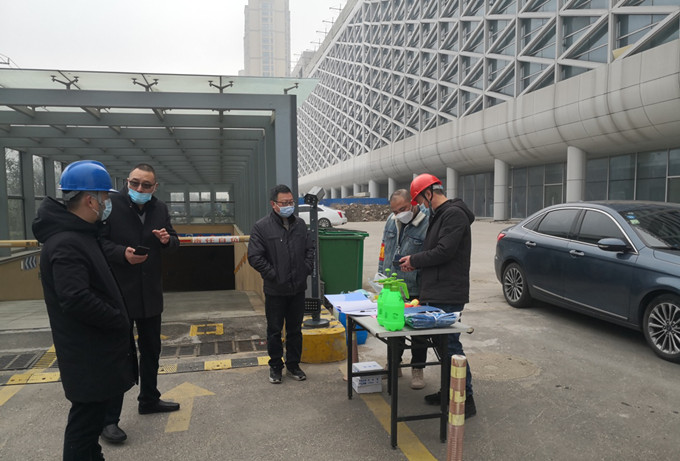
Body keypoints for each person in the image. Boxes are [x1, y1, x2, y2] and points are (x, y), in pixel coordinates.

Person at [32, 160, 137, 461]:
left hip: (94, 352)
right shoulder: (67, 243)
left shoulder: (80, 234)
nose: (107, 204)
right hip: (88, 355)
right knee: (84, 427)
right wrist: (118, 319)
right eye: (104, 198)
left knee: (89, 429)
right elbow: (76, 298)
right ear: (91, 201)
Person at [99, 163, 180, 444]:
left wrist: (167, 240)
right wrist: (122, 253)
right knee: (119, 355)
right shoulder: (110, 205)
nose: (139, 189)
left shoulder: (160, 208)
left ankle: (149, 399)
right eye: (135, 183)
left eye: (146, 185)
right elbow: (98, 242)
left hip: (150, 294)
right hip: (119, 293)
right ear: (127, 181)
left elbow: (174, 241)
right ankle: (109, 420)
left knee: (151, 350)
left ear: (155, 187)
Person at [399, 173, 477, 418]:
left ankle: (465, 398)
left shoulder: (454, 215)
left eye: (421, 200)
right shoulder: (440, 214)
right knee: (442, 347)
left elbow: (444, 251)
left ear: (429, 193)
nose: (421, 205)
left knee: (451, 345)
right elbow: (433, 250)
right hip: (436, 289)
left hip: (448, 291)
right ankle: (448, 391)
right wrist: (415, 262)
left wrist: (415, 260)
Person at [248, 184, 314, 384]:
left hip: (297, 289)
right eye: (284, 203)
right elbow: (254, 256)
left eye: (291, 202)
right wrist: (273, 274)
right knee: (274, 331)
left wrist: (305, 269)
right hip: (275, 290)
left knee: (295, 330)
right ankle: (276, 366)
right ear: (273, 204)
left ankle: (293, 365)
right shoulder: (262, 227)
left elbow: (310, 250)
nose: (288, 206)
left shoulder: (300, 225)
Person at [378, 189, 429, 389]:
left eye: (403, 209)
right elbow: (384, 248)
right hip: (393, 285)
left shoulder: (427, 222)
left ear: (413, 203)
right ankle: (394, 363)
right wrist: (381, 276)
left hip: (416, 287)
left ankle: (417, 369)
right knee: (394, 328)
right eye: (395, 211)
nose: (399, 214)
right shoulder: (391, 221)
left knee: (418, 332)